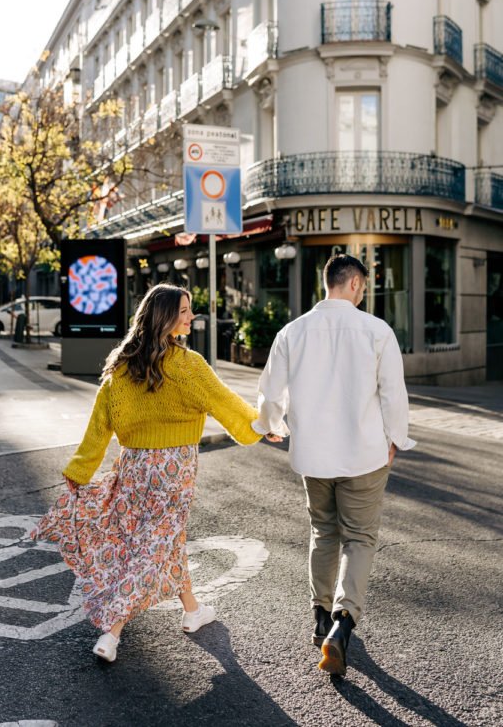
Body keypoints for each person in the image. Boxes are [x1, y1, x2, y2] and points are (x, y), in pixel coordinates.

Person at [32, 283, 281, 662]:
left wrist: (81, 469)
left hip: (133, 466)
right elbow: (226, 404)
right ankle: (111, 632)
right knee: (152, 545)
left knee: (161, 539)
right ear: (164, 316)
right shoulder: (189, 365)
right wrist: (261, 426)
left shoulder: (121, 363)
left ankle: (192, 609)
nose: (190, 317)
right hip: (174, 468)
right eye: (183, 311)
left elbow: (100, 424)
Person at [252, 254, 416, 677]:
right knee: (359, 538)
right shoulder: (377, 331)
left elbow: (271, 391)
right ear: (357, 284)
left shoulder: (293, 331)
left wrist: (272, 426)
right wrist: (396, 438)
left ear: (327, 284)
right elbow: (393, 394)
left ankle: (320, 617)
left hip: (314, 455)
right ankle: (342, 625)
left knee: (323, 531)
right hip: (364, 454)